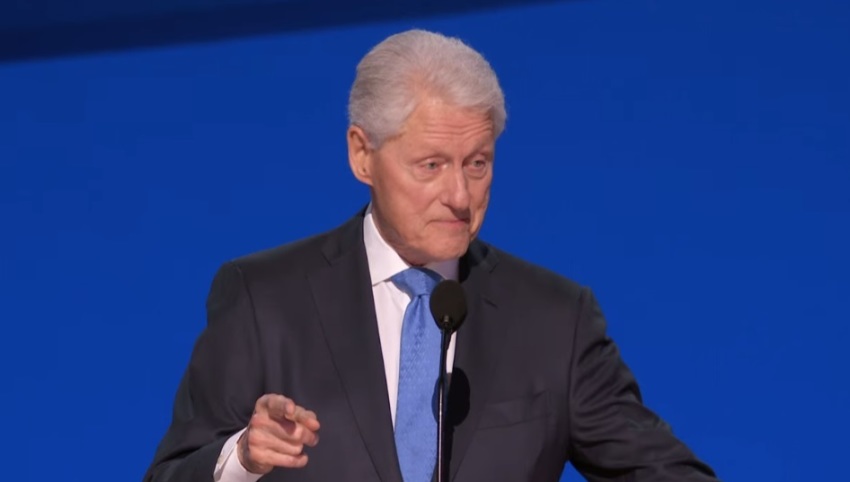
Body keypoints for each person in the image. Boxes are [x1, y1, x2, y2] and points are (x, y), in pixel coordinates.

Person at [143, 29, 718, 482]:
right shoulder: (263, 300)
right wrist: (241, 459)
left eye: (477, 163)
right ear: (362, 155)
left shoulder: (553, 319)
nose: (461, 197)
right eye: (432, 165)